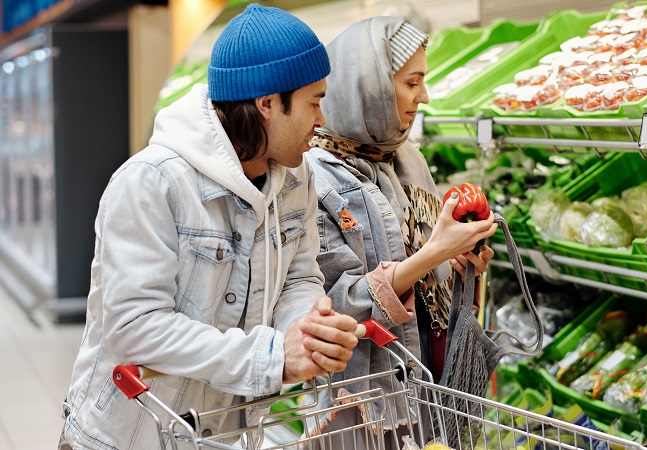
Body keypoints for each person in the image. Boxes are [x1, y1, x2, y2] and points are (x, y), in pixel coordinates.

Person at [58, 5, 359, 449]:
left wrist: (307, 331)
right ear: (268, 104)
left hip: (225, 433)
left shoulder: (298, 176)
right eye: (314, 101)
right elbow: (136, 326)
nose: (322, 120)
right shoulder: (151, 183)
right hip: (130, 436)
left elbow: (299, 275)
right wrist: (273, 357)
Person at [303, 16, 497, 447]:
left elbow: (433, 274)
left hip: (428, 375)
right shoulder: (313, 178)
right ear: (366, 86)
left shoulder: (406, 158)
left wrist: (461, 258)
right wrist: (433, 254)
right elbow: (335, 305)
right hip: (363, 396)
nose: (424, 97)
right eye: (411, 83)